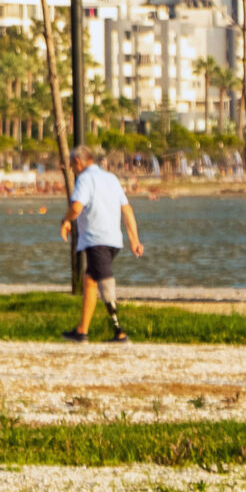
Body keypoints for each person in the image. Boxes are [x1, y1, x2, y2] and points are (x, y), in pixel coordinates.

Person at [61, 144, 143, 343]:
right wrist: (134, 239)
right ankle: (82, 331)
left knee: (105, 282)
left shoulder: (85, 179)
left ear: (78, 162)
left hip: (96, 239)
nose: (71, 168)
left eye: (72, 164)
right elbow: (128, 210)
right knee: (90, 281)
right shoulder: (111, 178)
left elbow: (77, 207)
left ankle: (119, 331)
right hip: (114, 239)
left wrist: (65, 221)